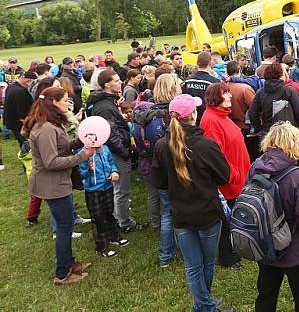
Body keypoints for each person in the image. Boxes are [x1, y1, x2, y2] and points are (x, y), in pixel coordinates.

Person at [150, 94, 233, 312]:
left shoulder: (162, 145)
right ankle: (205, 306)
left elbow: (159, 182)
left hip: (181, 214)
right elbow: (224, 177)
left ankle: (203, 303)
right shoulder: (206, 145)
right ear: (193, 115)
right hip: (207, 213)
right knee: (205, 262)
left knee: (194, 265)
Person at [25, 87, 96, 284]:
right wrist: (83, 156)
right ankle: (63, 273)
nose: (68, 103)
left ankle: (69, 263)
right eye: (65, 100)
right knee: (65, 227)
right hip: (52, 185)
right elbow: (51, 162)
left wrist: (78, 142)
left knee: (65, 224)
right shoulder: (46, 128)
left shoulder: (50, 124)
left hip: (57, 184)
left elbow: (61, 147)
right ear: (54, 103)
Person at [248, 122, 299, 312]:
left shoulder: (256, 167)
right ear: (295, 144)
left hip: (264, 245)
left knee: (265, 295)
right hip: (293, 248)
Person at [199, 82, 249, 269]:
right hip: (228, 183)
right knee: (227, 221)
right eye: (225, 94)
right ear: (215, 99)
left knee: (234, 219)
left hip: (237, 179)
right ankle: (228, 258)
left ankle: (236, 250)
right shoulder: (212, 121)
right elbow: (215, 156)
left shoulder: (222, 116)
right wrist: (234, 175)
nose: (230, 97)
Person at [134, 72, 182, 266]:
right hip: (173, 168)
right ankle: (169, 252)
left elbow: (137, 142)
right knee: (172, 212)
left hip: (152, 165)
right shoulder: (171, 117)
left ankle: (167, 253)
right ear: (172, 89)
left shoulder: (145, 115)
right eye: (178, 85)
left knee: (164, 208)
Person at [86, 69, 139, 232]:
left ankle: (118, 218)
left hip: (114, 150)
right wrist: (124, 151)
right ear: (107, 85)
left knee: (118, 189)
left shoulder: (107, 102)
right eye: (116, 80)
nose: (120, 82)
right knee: (121, 189)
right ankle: (123, 222)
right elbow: (110, 134)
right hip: (115, 152)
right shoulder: (104, 106)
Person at [78, 141, 127, 258]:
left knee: (109, 212)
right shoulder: (83, 153)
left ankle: (114, 236)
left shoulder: (105, 148)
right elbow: (80, 173)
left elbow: (111, 163)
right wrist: (88, 168)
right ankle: (102, 246)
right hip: (93, 190)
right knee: (98, 217)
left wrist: (114, 172)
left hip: (107, 186)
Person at [249, 63, 299, 136]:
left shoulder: (261, 92)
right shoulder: (289, 91)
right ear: (281, 75)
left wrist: (258, 129)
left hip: (268, 133)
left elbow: (252, 112)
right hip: (288, 133)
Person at [183, 52, 220, 123]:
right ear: (210, 63)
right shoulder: (214, 82)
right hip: (209, 119)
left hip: (192, 118)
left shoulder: (188, 81)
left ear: (197, 63)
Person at [5, 71, 35, 148]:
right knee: (27, 145)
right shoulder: (21, 92)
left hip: (12, 121)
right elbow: (23, 112)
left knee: (22, 143)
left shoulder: (11, 86)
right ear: (28, 81)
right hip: (20, 124)